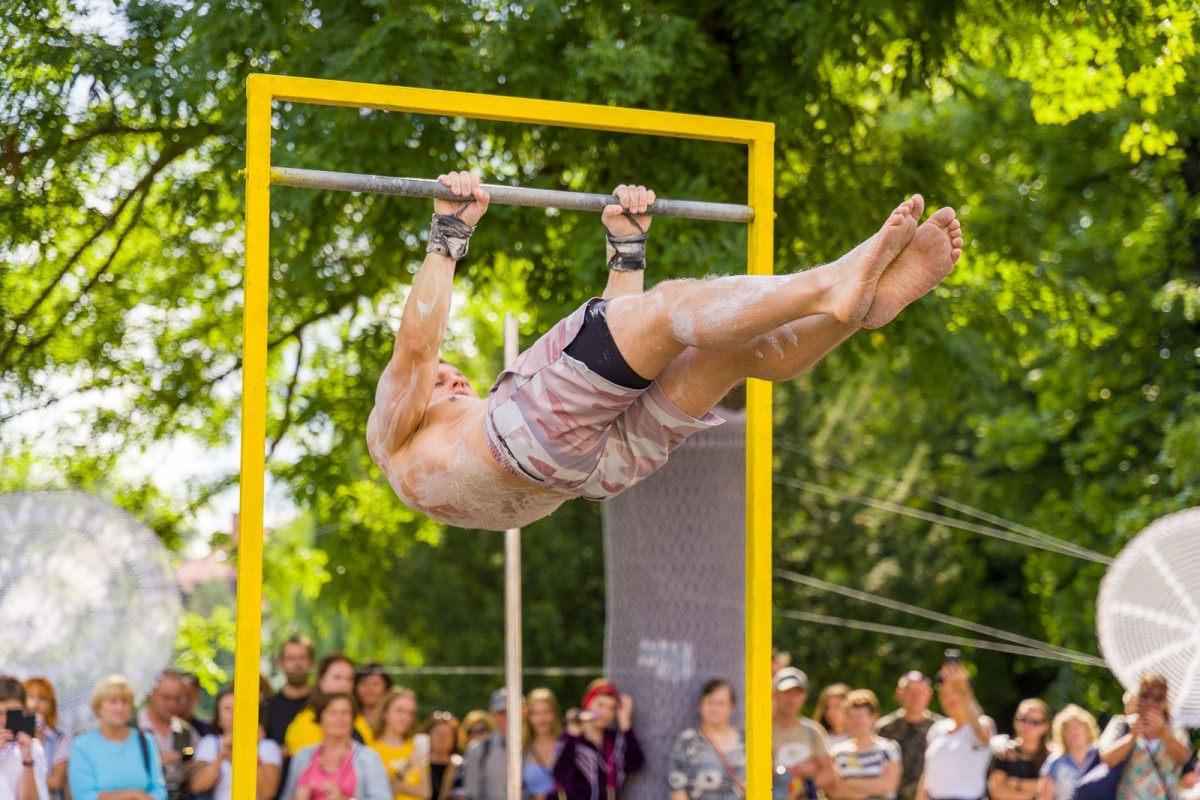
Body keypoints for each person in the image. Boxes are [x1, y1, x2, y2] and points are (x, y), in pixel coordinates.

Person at [367, 172, 963, 531]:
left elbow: (618, 354)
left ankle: (854, 314)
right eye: (448, 381)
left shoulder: (451, 442)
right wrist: (448, 236)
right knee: (675, 305)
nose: (454, 381)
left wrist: (626, 252)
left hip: (587, 471)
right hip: (533, 447)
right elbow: (419, 347)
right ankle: (831, 286)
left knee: (730, 353)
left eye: (459, 380)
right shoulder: (392, 437)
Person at [69, 675, 168, 800]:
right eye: (113, 702)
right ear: (98, 707)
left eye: (125, 702)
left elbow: (159, 791)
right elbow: (83, 796)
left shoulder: (146, 741)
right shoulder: (82, 746)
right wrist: (132, 795)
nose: (119, 708)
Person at [1099, 673, 1192, 800]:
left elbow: (1184, 757)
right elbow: (1107, 759)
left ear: (1165, 702)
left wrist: (1164, 734)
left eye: (1158, 698)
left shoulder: (1176, 727)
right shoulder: (1122, 724)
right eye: (1145, 696)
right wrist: (1131, 737)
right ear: (1137, 697)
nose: (1150, 702)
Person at [281, 693, 390, 800]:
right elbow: (285, 796)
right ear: (320, 719)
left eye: (345, 713)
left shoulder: (369, 758)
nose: (339, 718)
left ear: (352, 720)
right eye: (332, 713)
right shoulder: (302, 756)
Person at [915, 661, 995, 800]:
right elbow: (927, 776)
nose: (949, 697)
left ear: (968, 693)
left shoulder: (983, 724)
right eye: (944, 693)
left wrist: (963, 686)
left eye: (955, 691)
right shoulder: (937, 729)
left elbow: (979, 729)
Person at [553, 681, 644, 800]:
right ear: (588, 704)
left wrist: (625, 722)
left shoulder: (615, 739)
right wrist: (573, 736)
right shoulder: (569, 737)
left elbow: (636, 763)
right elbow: (560, 775)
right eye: (600, 705)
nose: (605, 712)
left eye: (611, 708)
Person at [190, 689, 282, 800]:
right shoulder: (209, 742)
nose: (235, 713)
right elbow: (198, 786)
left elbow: (267, 793)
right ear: (218, 718)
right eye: (227, 709)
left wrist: (250, 751)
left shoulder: (267, 746)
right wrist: (221, 755)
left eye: (240, 707)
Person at [668, 679, 746, 800]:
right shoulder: (688, 741)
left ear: (731, 707)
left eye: (721, 703)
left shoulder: (746, 740)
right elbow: (677, 788)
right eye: (709, 702)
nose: (714, 708)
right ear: (700, 706)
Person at [285, 655, 375, 757]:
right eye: (337, 677)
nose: (344, 684)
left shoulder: (358, 720)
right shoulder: (307, 720)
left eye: (349, 679)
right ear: (321, 680)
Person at [874, 671, 942, 800]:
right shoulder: (884, 728)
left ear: (929, 695)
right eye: (910, 691)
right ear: (899, 693)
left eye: (921, 691)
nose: (916, 696)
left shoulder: (941, 728)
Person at [771, 667, 836, 800]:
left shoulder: (813, 730)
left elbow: (829, 773)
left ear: (804, 697)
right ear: (774, 694)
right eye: (786, 692)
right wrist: (798, 770)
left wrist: (799, 791)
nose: (791, 698)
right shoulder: (761, 732)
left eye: (797, 693)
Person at [137, 669, 200, 800]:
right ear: (151, 693)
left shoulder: (188, 732)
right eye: (166, 698)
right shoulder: (130, 728)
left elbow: (197, 773)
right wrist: (156, 762)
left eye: (178, 699)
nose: (172, 704)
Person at [827, 690, 901, 800]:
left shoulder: (888, 749)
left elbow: (888, 785)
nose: (856, 721)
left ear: (873, 717)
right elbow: (835, 791)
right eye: (851, 716)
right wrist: (874, 788)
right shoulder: (837, 752)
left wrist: (850, 782)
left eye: (860, 716)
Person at [369, 687, 430, 800]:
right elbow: (380, 793)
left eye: (411, 713)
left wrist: (397, 785)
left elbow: (425, 792)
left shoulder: (417, 745)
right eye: (400, 710)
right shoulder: (371, 749)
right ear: (384, 712)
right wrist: (406, 768)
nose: (406, 717)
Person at [987, 699, 1051, 800]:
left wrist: (1016, 783)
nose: (1027, 725)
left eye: (1035, 722)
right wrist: (1032, 794)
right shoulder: (1005, 753)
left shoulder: (1052, 756)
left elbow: (1054, 787)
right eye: (1023, 719)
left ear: (1045, 726)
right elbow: (996, 791)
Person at [0, 676, 48, 800]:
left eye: (12, 714)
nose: (4, 720)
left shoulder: (33, 749)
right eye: (0, 713)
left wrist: (27, 760)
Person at [460, 689, 514, 800]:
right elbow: (472, 794)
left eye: (514, 711)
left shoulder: (535, 747)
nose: (509, 717)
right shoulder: (478, 750)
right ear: (492, 714)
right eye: (502, 712)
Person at [1037, 704, 1100, 800]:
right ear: (1062, 735)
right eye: (1068, 728)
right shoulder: (1055, 762)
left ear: (1087, 729)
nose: (1073, 732)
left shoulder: (1102, 756)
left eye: (1077, 726)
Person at [22, 678, 68, 800]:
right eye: (31, 697)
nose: (36, 704)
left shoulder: (59, 739)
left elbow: (56, 782)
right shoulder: (10, 737)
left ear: (50, 706)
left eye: (42, 699)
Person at [522, 688, 561, 800]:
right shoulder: (522, 748)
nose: (542, 718)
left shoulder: (567, 745)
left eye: (547, 712)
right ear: (528, 717)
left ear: (555, 714)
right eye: (535, 713)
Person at [421, 713, 461, 800]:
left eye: (447, 734)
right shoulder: (418, 764)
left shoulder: (460, 767)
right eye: (438, 733)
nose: (442, 738)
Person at [356, 666, 394, 736]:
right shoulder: (350, 718)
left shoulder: (395, 720)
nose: (370, 688)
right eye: (364, 683)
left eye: (375, 684)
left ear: (386, 687)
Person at [178, 675, 213, 739]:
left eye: (189, 695)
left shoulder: (207, 731)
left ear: (198, 697)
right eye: (180, 695)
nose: (184, 700)